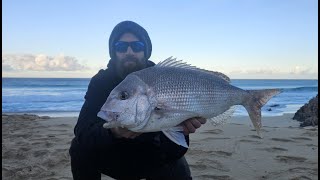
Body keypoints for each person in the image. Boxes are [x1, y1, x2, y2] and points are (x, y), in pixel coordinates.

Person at [69, 20, 206, 180]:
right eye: (121, 46)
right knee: (79, 148)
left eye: (137, 46)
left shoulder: (164, 78)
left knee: (177, 165)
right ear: (114, 52)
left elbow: (176, 151)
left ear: (146, 51)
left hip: (153, 157)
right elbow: (82, 131)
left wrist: (182, 129)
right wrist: (113, 132)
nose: (129, 51)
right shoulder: (101, 82)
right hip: (114, 156)